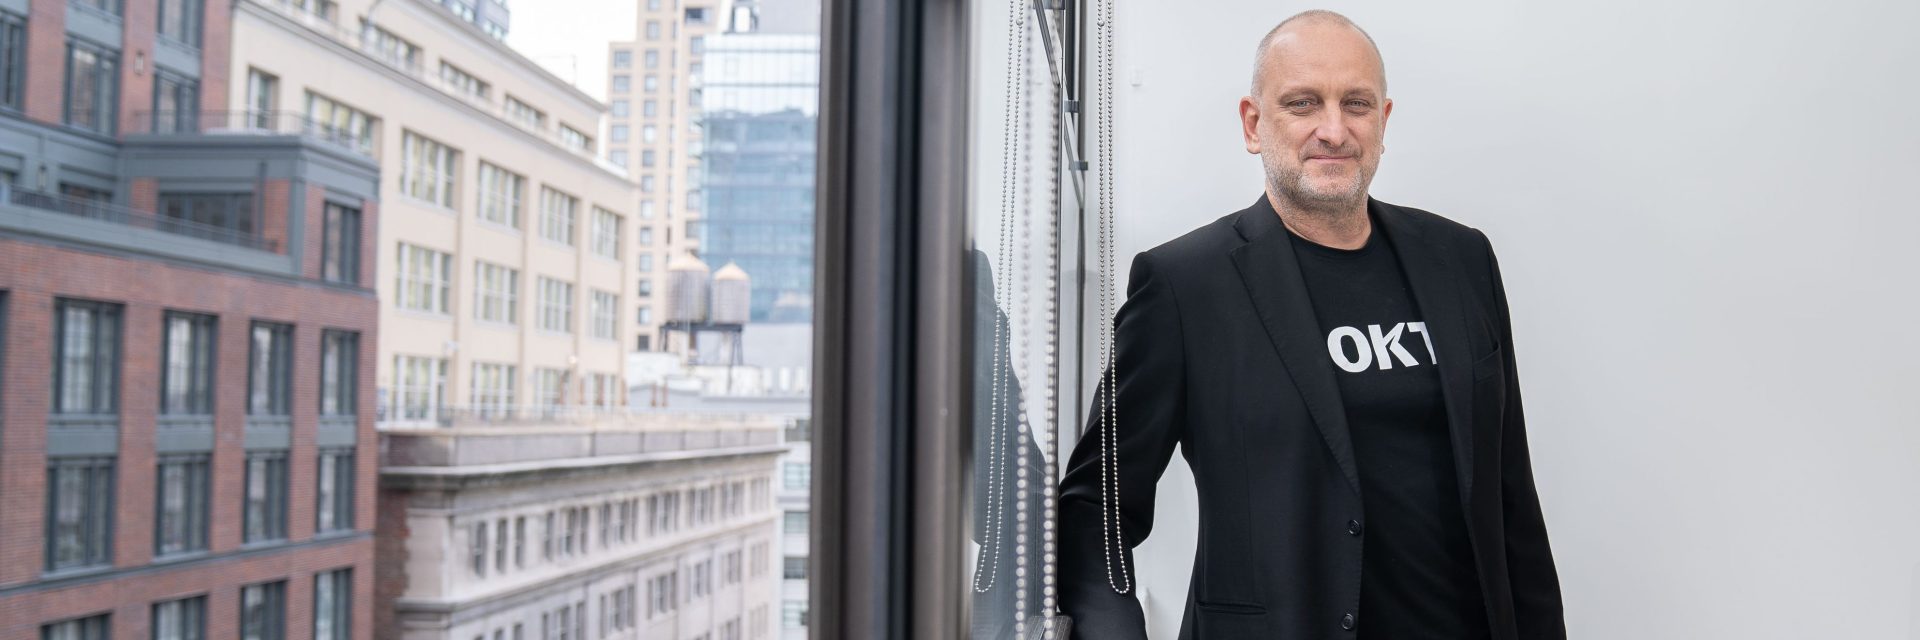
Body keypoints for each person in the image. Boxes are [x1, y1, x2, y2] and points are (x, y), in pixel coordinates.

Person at [1056, 10, 1566, 639]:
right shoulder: (1185, 286)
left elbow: (1509, 490)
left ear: (1383, 121)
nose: (1334, 129)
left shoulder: (1461, 259)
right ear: (1254, 123)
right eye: (1303, 103)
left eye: (1356, 103)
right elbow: (1095, 507)